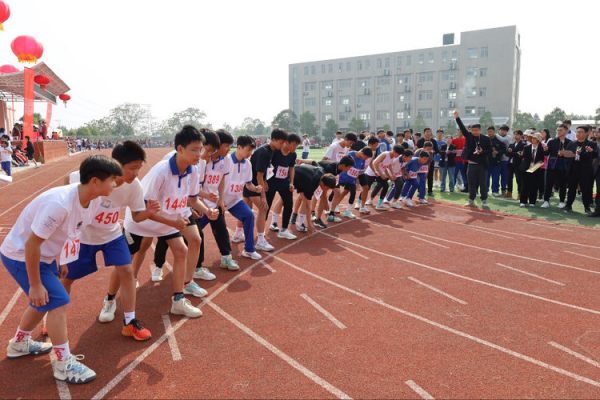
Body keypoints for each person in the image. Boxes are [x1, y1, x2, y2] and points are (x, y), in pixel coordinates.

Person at [0, 155, 123, 384]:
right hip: (20, 255)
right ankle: (62, 363)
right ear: (95, 181)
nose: (115, 185)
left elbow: (72, 232)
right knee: (59, 301)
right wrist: (35, 285)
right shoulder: (59, 204)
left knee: (46, 300)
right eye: (113, 179)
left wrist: (64, 261)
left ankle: (19, 344)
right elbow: (31, 244)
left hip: (43, 256)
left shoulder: (93, 200)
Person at [57, 142, 158, 342]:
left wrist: (150, 212)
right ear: (116, 164)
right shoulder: (91, 176)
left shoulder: (134, 186)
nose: (136, 173)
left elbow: (137, 216)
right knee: (66, 278)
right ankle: (53, 317)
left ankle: (130, 322)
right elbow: (68, 180)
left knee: (127, 272)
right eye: (132, 168)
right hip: (84, 238)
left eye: (139, 168)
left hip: (112, 235)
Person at [123, 126, 218, 318]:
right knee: (133, 255)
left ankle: (179, 299)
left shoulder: (193, 170)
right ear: (180, 149)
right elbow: (141, 209)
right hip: (143, 220)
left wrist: (207, 210)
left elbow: (192, 199)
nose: (199, 154)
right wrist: (171, 221)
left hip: (171, 218)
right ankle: (111, 298)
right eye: (195, 149)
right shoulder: (161, 172)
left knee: (185, 247)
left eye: (201, 149)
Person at [235, 128, 287, 252]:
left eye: (284, 142)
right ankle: (260, 241)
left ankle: (237, 234)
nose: (282, 145)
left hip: (250, 183)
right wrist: (263, 196)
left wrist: (265, 181)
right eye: (281, 142)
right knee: (264, 208)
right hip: (252, 184)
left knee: (246, 211)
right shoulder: (265, 152)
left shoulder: (269, 150)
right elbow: (258, 175)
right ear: (273, 140)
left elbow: (261, 172)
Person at [228, 135, 265, 259]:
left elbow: (248, 184)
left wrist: (255, 188)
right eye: (248, 150)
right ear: (239, 147)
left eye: (252, 150)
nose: (250, 153)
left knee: (249, 215)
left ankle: (249, 249)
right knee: (199, 225)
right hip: (219, 201)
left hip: (235, 201)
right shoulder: (226, 161)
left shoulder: (247, 164)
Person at [265, 133, 301, 240]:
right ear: (286, 143)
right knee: (266, 207)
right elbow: (265, 165)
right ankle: (260, 233)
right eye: (293, 145)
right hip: (271, 183)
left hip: (284, 183)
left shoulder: (292, 155)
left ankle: (284, 230)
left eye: (297, 145)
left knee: (289, 204)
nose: (295, 147)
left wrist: (291, 182)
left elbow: (291, 168)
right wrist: (264, 182)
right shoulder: (275, 152)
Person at [454, 110, 492, 207]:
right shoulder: (469, 136)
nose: (474, 132)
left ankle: (484, 200)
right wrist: (457, 118)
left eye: (476, 130)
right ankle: (471, 199)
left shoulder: (486, 139)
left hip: (482, 164)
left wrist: (482, 151)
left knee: (483, 183)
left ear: (480, 130)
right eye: (472, 130)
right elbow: (462, 127)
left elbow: (490, 150)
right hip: (471, 164)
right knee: (471, 183)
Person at [290, 164, 337, 232]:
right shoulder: (311, 184)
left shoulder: (323, 174)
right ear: (323, 183)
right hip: (292, 176)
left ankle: (300, 225)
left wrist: (301, 161)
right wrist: (309, 225)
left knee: (304, 200)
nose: (328, 190)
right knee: (286, 201)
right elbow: (308, 206)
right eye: (328, 188)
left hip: (301, 177)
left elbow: (313, 161)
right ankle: (279, 227)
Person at [563, 125, 597, 213]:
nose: (578, 134)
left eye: (581, 132)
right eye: (577, 132)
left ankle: (587, 207)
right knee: (571, 189)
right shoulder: (572, 143)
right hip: (573, 170)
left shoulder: (591, 144)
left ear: (586, 133)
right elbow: (567, 154)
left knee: (586, 189)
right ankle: (568, 205)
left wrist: (582, 153)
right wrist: (562, 154)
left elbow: (593, 156)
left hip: (585, 170)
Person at [336, 147, 374, 217]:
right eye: (366, 157)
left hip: (352, 178)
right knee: (342, 191)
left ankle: (352, 209)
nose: (367, 159)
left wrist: (356, 179)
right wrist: (338, 174)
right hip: (343, 177)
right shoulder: (349, 154)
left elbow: (359, 171)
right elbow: (340, 164)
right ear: (362, 153)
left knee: (354, 191)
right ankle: (334, 206)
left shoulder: (363, 160)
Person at [541, 124, 571, 209]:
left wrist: (564, 154)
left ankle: (561, 201)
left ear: (566, 131)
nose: (558, 132)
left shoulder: (570, 142)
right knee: (548, 184)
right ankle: (546, 201)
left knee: (563, 185)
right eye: (557, 130)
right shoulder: (552, 141)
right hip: (552, 166)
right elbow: (547, 154)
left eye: (561, 130)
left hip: (564, 166)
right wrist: (545, 150)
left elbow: (572, 154)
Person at [519, 132, 546, 207]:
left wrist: (535, 167)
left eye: (535, 138)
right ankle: (523, 201)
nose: (533, 139)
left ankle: (532, 201)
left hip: (536, 169)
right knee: (524, 185)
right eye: (533, 138)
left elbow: (542, 160)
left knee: (534, 186)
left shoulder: (541, 148)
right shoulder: (526, 147)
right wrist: (521, 155)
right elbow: (524, 158)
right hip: (526, 168)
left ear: (538, 140)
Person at [416, 128, 439, 197]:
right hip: (420, 161)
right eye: (427, 132)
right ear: (424, 133)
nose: (428, 133)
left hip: (430, 160)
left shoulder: (433, 141)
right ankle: (419, 191)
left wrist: (430, 152)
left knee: (430, 176)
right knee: (420, 176)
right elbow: (417, 149)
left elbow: (437, 150)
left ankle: (430, 191)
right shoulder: (420, 141)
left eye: (430, 132)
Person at [486, 126, 507, 196]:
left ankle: (495, 191)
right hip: (487, 162)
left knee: (496, 177)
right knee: (486, 177)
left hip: (497, 162)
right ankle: (485, 190)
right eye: (488, 131)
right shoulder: (486, 140)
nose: (489, 133)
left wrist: (497, 152)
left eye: (491, 131)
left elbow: (504, 149)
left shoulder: (498, 140)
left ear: (494, 132)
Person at [505, 130, 525, 199]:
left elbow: (519, 154)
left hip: (518, 164)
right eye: (514, 134)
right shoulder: (511, 144)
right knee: (509, 179)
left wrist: (511, 152)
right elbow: (507, 153)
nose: (515, 136)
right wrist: (511, 152)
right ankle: (509, 192)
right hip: (510, 164)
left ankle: (520, 193)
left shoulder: (523, 144)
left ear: (521, 135)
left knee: (518, 179)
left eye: (517, 134)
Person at [497, 125, 511, 195]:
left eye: (504, 130)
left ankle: (503, 189)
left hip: (505, 160)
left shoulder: (508, 137)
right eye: (501, 130)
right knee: (496, 176)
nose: (502, 132)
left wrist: (494, 134)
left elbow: (502, 140)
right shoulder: (497, 136)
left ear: (506, 131)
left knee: (504, 176)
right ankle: (495, 189)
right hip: (497, 160)